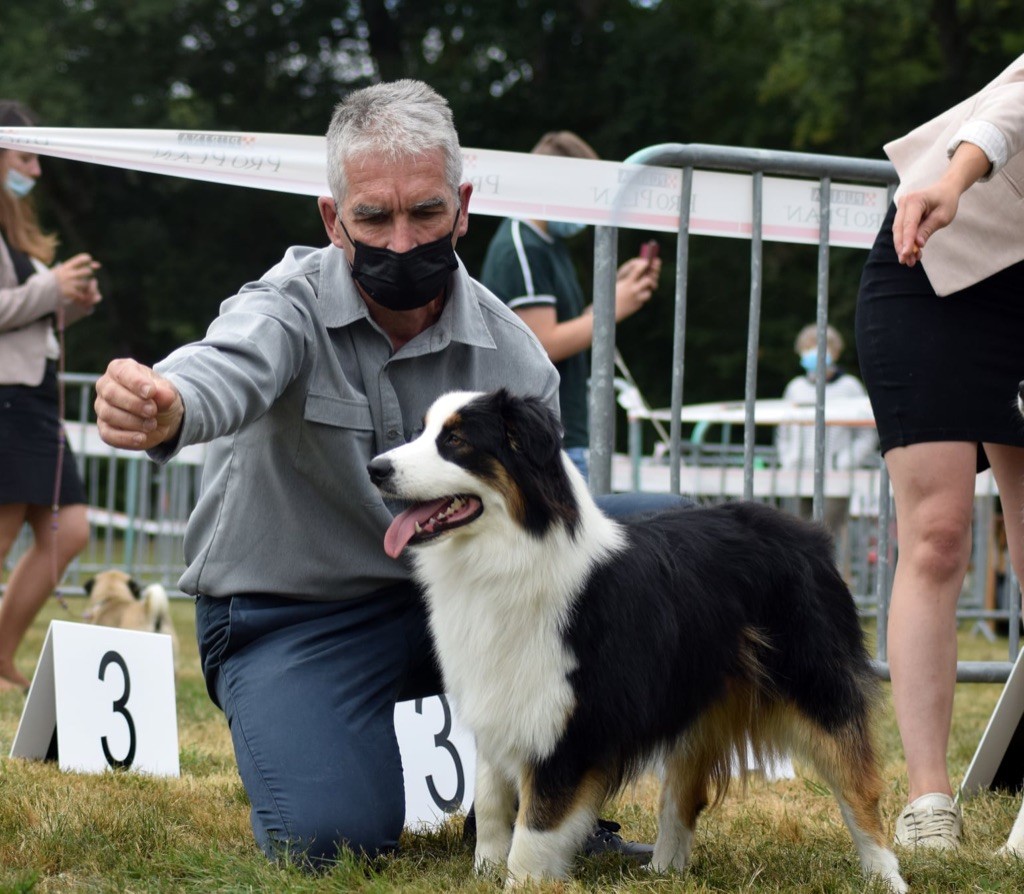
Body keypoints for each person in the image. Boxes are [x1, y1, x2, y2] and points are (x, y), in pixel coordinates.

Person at [94, 80, 680, 867]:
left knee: (659, 529)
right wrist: (168, 405)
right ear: (333, 219)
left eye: (426, 212)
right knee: (328, 842)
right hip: (294, 616)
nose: (402, 242)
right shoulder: (286, 306)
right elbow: (225, 365)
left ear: (463, 206)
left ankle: (547, 799)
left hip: (459, 597)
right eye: (374, 216)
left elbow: (551, 527)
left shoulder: (519, 360)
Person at [855, 53, 1024, 850]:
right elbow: (1006, 115)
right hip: (934, 251)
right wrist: (955, 180)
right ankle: (928, 801)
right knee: (939, 535)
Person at [479, 130, 661, 480]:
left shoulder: (546, 244)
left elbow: (566, 327)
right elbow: (543, 343)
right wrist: (613, 309)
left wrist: (617, 293)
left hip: (561, 431)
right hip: (546, 438)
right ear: (553, 184)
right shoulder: (522, 246)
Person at [0, 100, 102, 692]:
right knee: (7, 530)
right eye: (25, 157)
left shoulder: (17, 227)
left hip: (33, 397)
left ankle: (1, 654)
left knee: (72, 531)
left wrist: (68, 304)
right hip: (9, 401)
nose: (36, 171)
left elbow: (26, 318)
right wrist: (49, 287)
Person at [776, 323, 877, 542]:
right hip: (798, 472)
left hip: (834, 475)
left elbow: (867, 434)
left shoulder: (850, 387)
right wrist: (788, 459)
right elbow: (783, 431)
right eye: (808, 347)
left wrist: (844, 462)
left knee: (827, 536)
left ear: (835, 351)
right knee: (794, 536)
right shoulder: (795, 388)